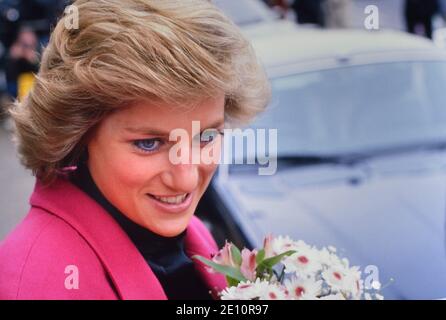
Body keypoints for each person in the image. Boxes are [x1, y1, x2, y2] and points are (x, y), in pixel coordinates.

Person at [0, 0, 270, 300]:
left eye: (207, 136)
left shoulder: (188, 231)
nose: (187, 180)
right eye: (149, 143)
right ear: (76, 136)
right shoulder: (38, 286)